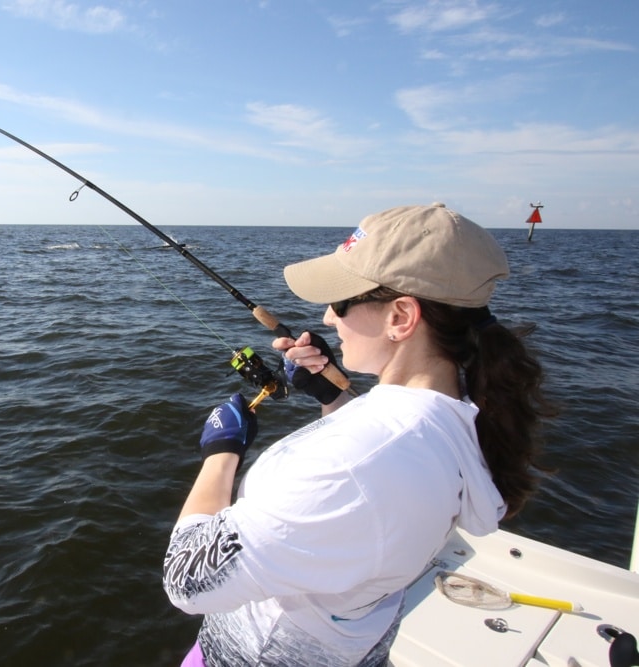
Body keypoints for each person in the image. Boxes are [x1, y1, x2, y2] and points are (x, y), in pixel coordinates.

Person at [163, 203, 551, 666]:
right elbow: (381, 487)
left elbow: (186, 579)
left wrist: (221, 454)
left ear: (401, 317)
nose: (327, 318)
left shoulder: (354, 463)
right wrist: (331, 394)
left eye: (342, 301)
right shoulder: (459, 419)